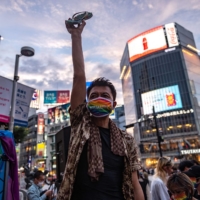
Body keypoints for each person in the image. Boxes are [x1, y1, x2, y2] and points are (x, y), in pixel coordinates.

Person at [56, 19, 144, 200]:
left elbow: (134, 184)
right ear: (87, 103)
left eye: (105, 96)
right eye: (94, 96)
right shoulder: (81, 124)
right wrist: (76, 36)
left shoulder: (126, 140)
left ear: (113, 104)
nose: (99, 99)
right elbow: (79, 77)